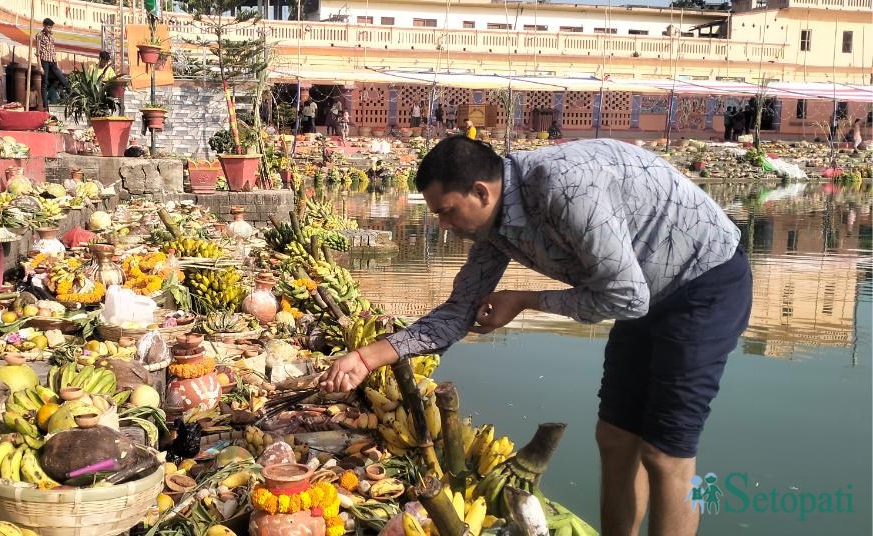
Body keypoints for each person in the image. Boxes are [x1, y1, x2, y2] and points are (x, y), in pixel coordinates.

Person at [321, 137, 752, 536]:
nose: (445, 225)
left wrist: (526, 300)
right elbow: (458, 313)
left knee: (664, 453)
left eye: (447, 211)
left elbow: (626, 297)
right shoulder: (494, 229)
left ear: (481, 192)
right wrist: (366, 357)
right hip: (643, 290)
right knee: (616, 437)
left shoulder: (562, 188)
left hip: (703, 284)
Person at [36, 18, 68, 111]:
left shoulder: (51, 36)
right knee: (44, 83)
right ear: (44, 26)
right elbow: (38, 52)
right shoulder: (39, 35)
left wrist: (56, 63)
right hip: (44, 60)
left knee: (63, 80)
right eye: (49, 27)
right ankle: (45, 107)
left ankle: (69, 96)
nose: (50, 29)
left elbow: (53, 51)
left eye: (51, 27)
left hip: (53, 61)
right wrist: (39, 66)